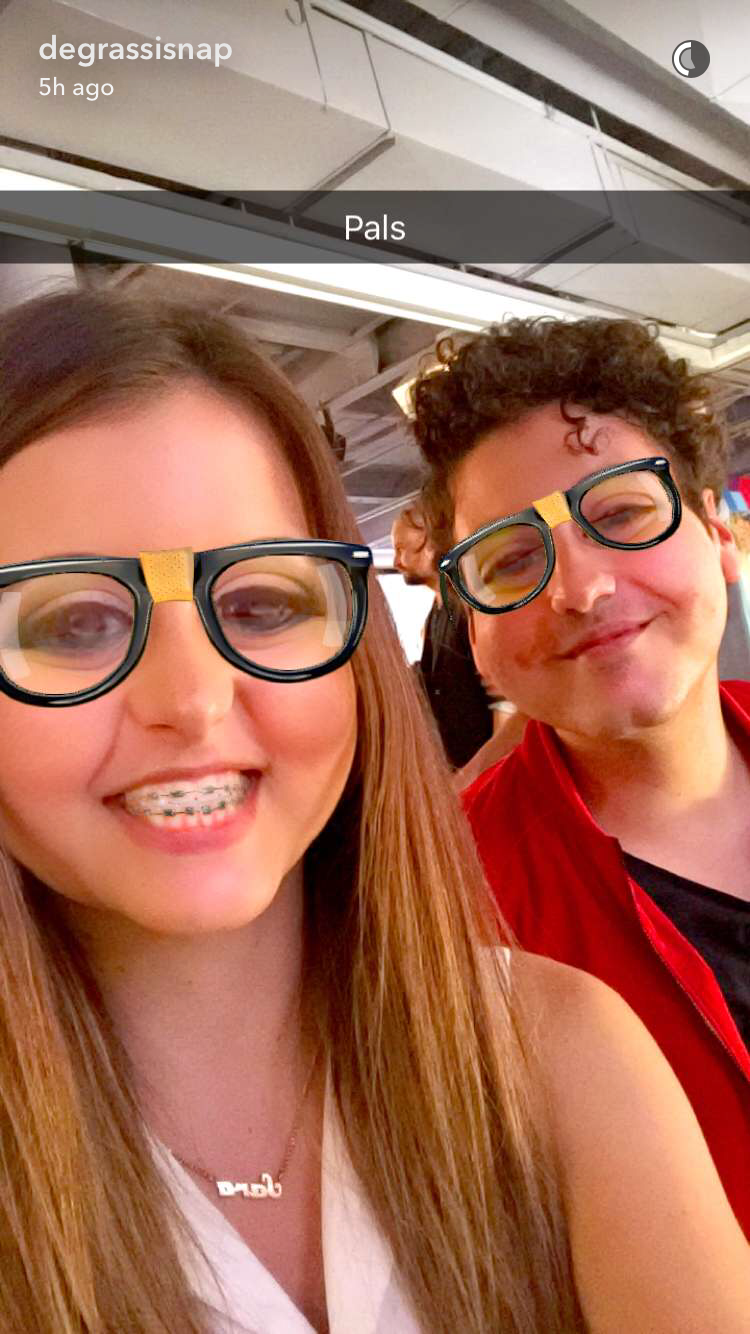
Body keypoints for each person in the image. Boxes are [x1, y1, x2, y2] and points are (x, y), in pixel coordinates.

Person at [0, 290, 748, 1334]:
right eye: (71, 621)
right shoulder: (496, 913)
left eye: (261, 603)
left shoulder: (552, 1049)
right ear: (464, 622)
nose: (194, 700)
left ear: (722, 530)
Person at [413, 315, 750, 1242]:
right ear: (470, 620)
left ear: (719, 531)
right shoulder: (449, 914)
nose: (580, 588)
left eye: (623, 514)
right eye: (511, 558)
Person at [391, 503, 493, 768]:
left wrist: (472, 781)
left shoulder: (473, 610)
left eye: (401, 549)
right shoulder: (436, 613)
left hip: (483, 776)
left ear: (432, 545)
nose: (395, 562)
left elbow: (509, 713)